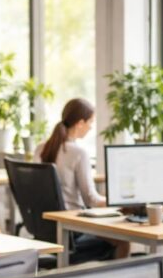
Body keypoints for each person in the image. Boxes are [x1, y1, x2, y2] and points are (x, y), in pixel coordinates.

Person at [36, 98, 130, 258]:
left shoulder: (41, 148)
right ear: (80, 123)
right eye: (90, 122)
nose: (91, 127)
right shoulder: (79, 153)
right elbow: (91, 200)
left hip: (45, 227)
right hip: (73, 228)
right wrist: (120, 200)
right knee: (123, 240)